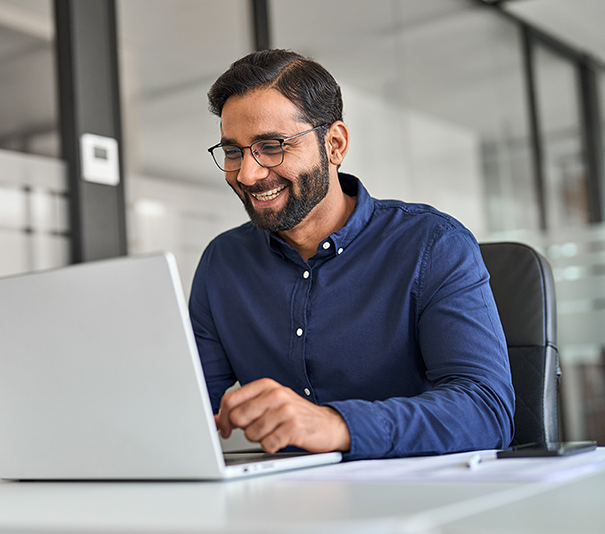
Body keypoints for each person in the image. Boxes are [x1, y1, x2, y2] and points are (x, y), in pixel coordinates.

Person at [189, 49, 515, 460]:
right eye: (233, 151)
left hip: (419, 501)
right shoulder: (223, 262)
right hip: (282, 507)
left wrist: (336, 425)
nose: (248, 174)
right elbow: (188, 404)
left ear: (335, 144)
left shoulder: (433, 245)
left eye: (271, 146)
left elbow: (487, 411)